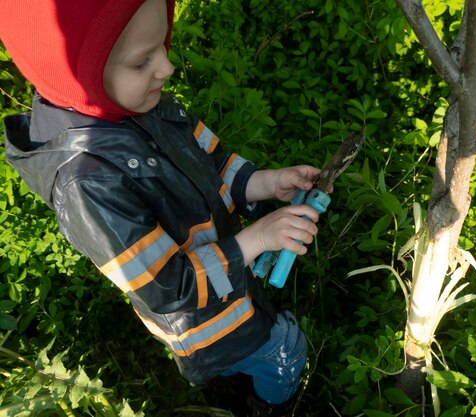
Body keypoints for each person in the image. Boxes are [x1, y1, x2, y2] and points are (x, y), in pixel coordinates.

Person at [0, 1, 320, 415]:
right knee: (284, 351)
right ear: (78, 79)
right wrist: (256, 239)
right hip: (205, 325)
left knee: (252, 336)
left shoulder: (141, 104)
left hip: (231, 273)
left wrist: (264, 183)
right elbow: (167, 286)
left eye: (162, 45)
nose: (166, 67)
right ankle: (264, 406)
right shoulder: (87, 183)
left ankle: (234, 379)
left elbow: (212, 158)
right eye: (142, 60)